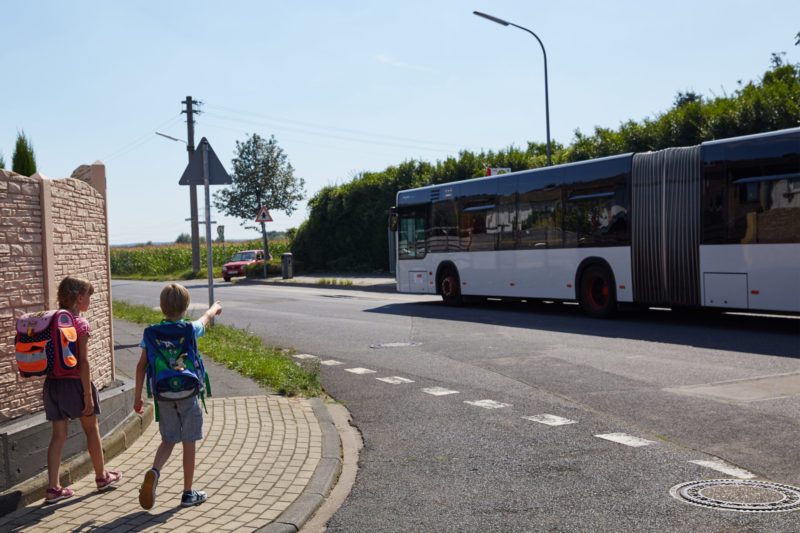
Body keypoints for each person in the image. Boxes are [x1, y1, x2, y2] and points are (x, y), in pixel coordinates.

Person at [133, 283, 222, 509]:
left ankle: (154, 472)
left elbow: (141, 366)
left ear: (162, 308)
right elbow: (205, 320)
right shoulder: (189, 329)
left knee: (168, 439)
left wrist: (138, 397)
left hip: (163, 394)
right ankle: (187, 493)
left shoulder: (150, 333)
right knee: (188, 441)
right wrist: (213, 309)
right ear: (186, 306)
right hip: (188, 392)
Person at [44, 276, 122, 504]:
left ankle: (53, 488)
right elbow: (83, 362)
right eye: (89, 295)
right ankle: (101, 476)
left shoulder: (51, 321)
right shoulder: (80, 324)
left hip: (52, 385)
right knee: (91, 429)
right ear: (79, 298)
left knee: (58, 436)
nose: (90, 299)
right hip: (74, 384)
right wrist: (87, 393)